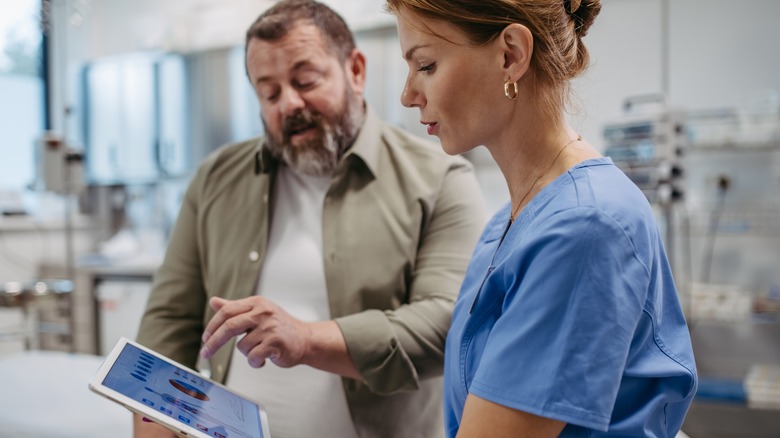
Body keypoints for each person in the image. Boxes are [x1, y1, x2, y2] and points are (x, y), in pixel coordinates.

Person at [134, 1, 486, 437]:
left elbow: (445, 328)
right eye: (269, 93)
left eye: (305, 80)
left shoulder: (441, 179)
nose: (289, 104)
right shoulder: (215, 179)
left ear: (355, 70)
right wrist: (153, 427)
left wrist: (306, 338)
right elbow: (167, 325)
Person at [386, 0, 698, 436]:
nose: (407, 95)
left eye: (427, 65)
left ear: (510, 55)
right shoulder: (512, 220)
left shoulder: (585, 225)